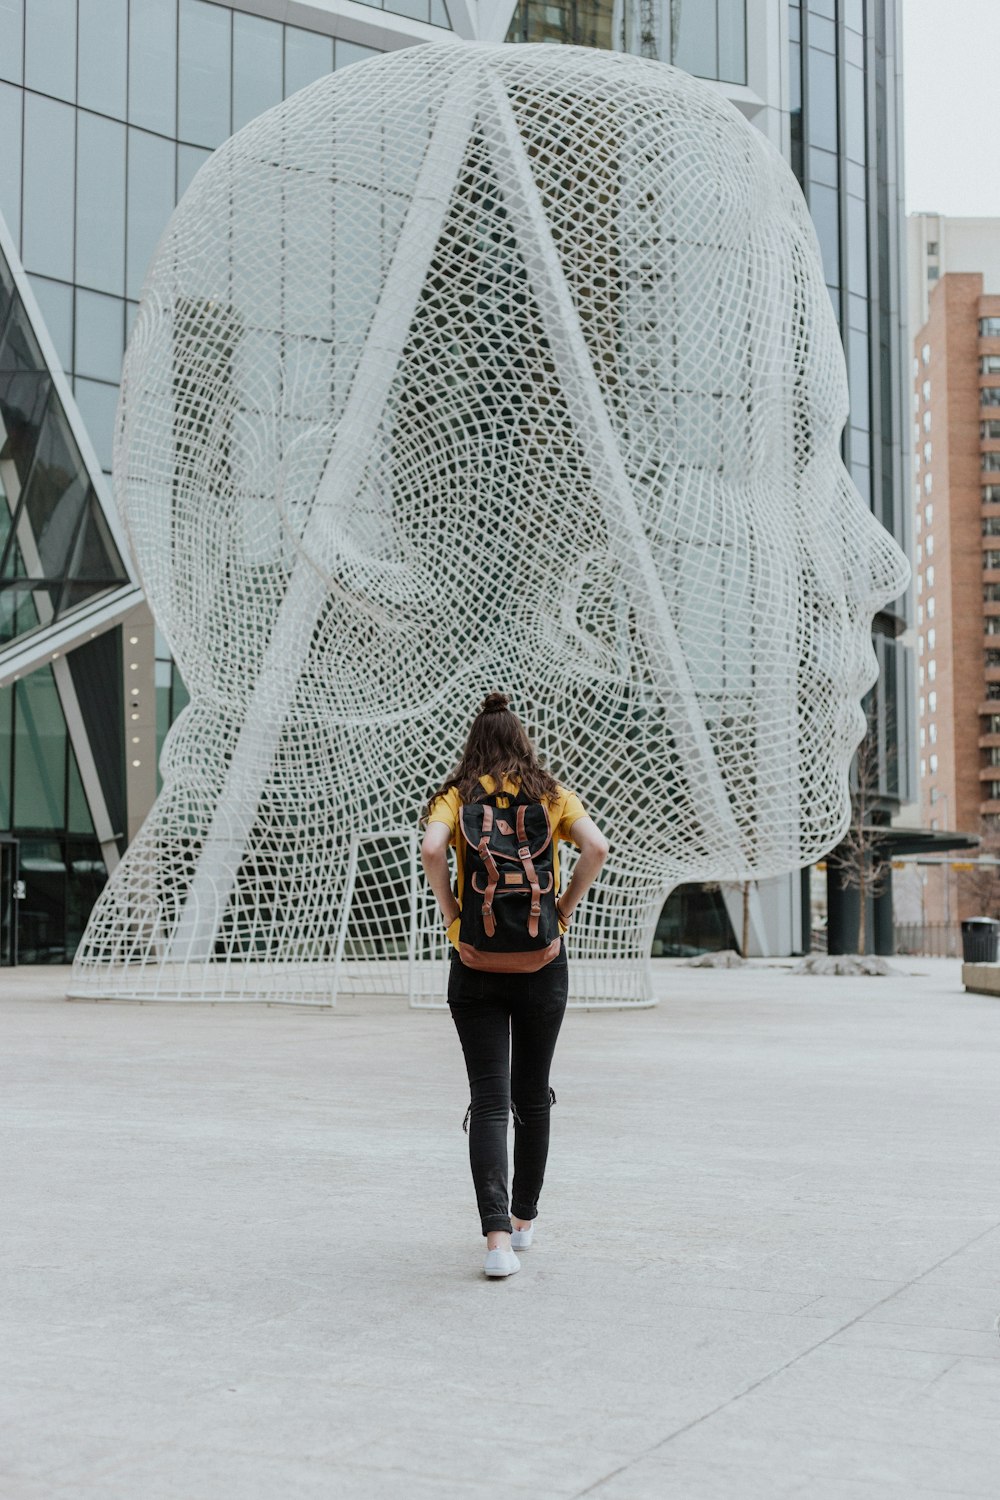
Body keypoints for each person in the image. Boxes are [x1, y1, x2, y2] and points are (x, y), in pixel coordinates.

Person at [420, 692, 609, 1279]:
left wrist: (453, 916)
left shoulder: (456, 798)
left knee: (489, 1100)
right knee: (533, 1094)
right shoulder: (551, 795)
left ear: (475, 744)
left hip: (474, 965)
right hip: (541, 964)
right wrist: (563, 910)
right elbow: (597, 848)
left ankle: (496, 1240)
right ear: (523, 742)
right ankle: (525, 1221)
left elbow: (431, 849)